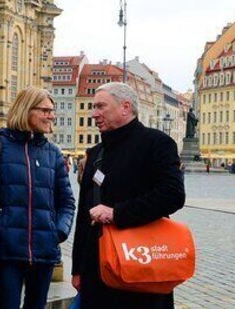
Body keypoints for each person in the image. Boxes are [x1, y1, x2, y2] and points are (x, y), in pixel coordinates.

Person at [71, 82, 185, 309]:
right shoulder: (95, 153)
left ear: (125, 107)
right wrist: (77, 269)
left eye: (101, 106)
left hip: (142, 261)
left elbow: (172, 195)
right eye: (94, 107)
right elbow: (84, 216)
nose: (94, 114)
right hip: (99, 267)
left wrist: (117, 213)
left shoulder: (157, 143)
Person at [0, 87, 75, 309]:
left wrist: (58, 231)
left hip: (45, 249)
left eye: (52, 110)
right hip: (9, 249)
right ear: (26, 109)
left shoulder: (53, 153)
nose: (52, 116)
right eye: (45, 110)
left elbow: (67, 201)